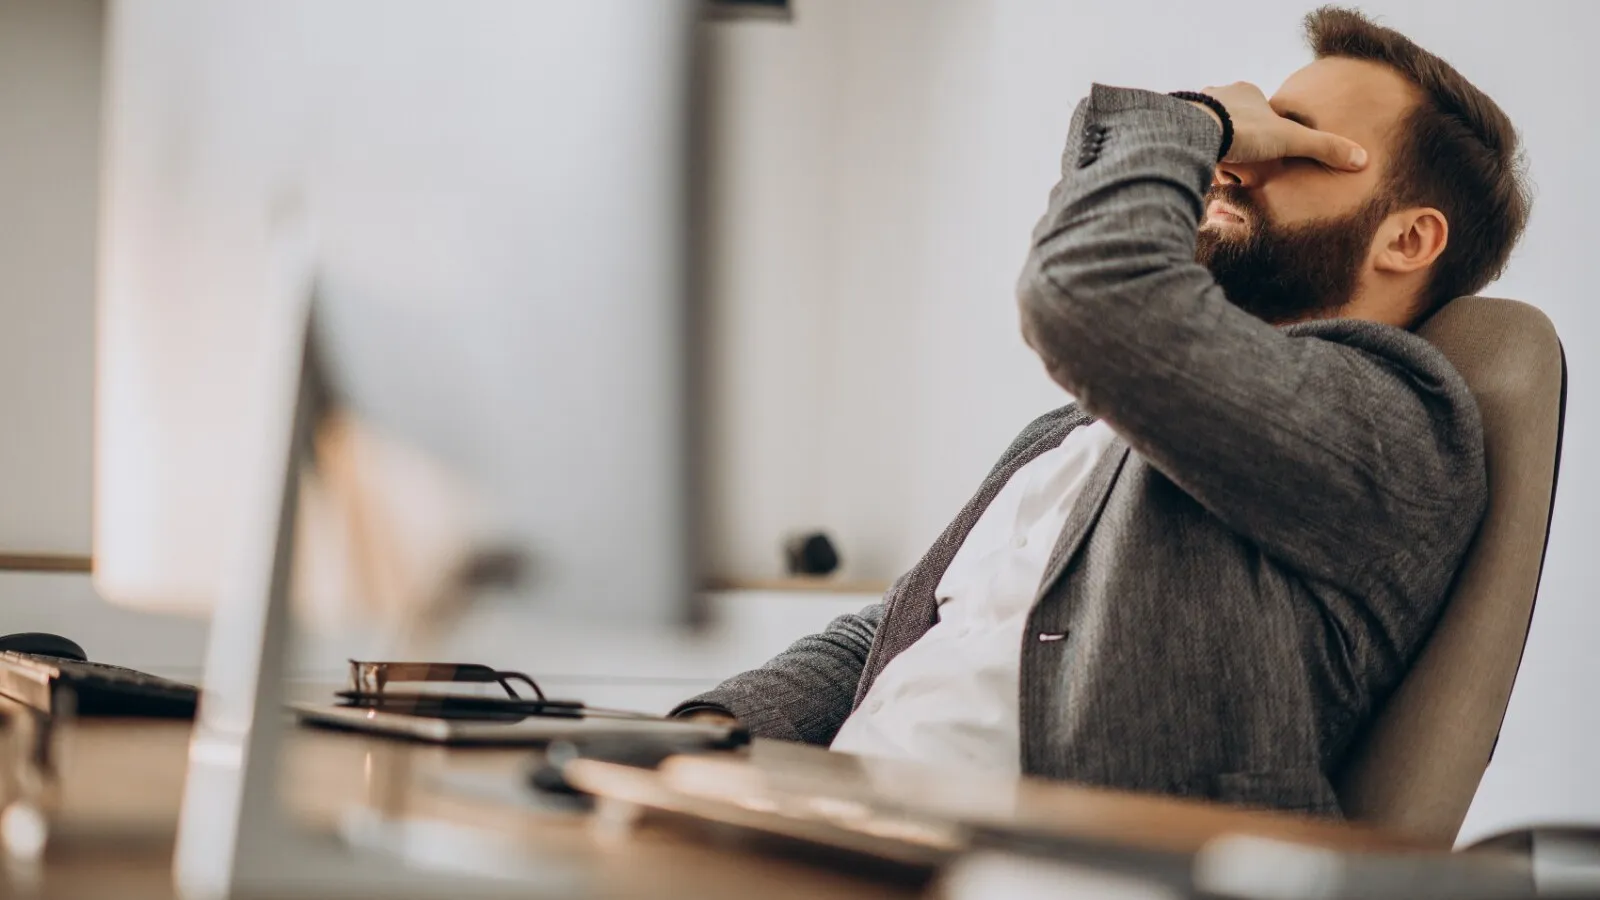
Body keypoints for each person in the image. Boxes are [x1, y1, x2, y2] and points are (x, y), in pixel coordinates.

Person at [674, 6, 1531, 817]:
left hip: (1062, 869)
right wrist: (693, 737)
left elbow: (1087, 295)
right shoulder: (1078, 434)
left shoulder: (1397, 425)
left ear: (1408, 239)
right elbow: (903, 630)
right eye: (1260, 126)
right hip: (844, 829)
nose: (1234, 161)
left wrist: (1192, 118)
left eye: (1298, 146)